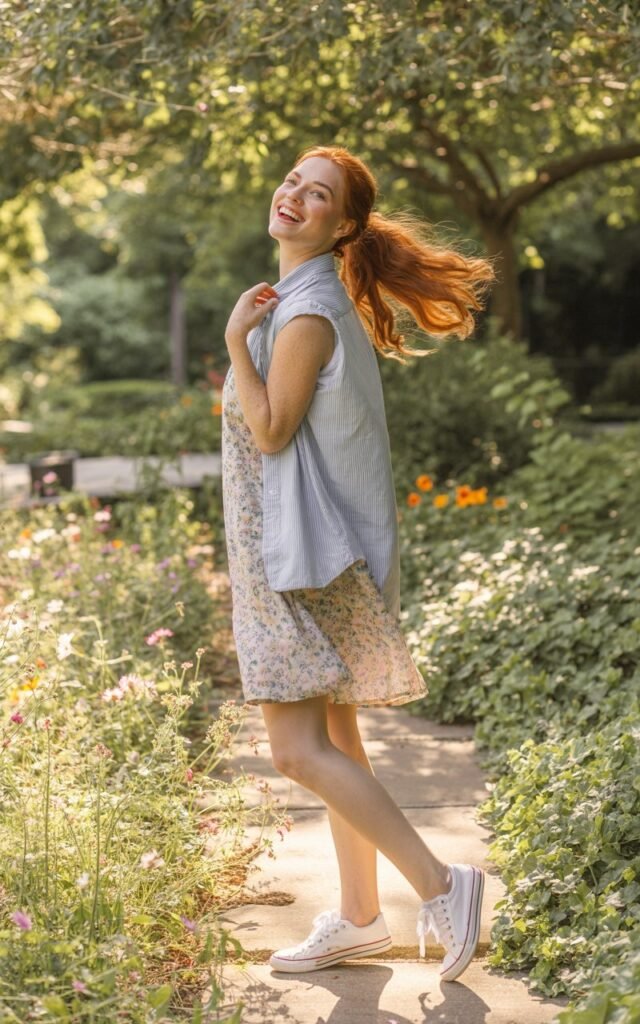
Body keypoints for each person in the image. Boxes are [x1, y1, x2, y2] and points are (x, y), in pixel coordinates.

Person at [221, 144, 495, 981]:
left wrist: (237, 341)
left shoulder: (301, 314)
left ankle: (445, 886)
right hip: (307, 548)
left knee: (298, 749)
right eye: (294, 180)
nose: (295, 195)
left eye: (319, 193)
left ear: (342, 225)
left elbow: (269, 431)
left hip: (297, 557)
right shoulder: (310, 298)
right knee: (337, 732)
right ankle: (360, 917)